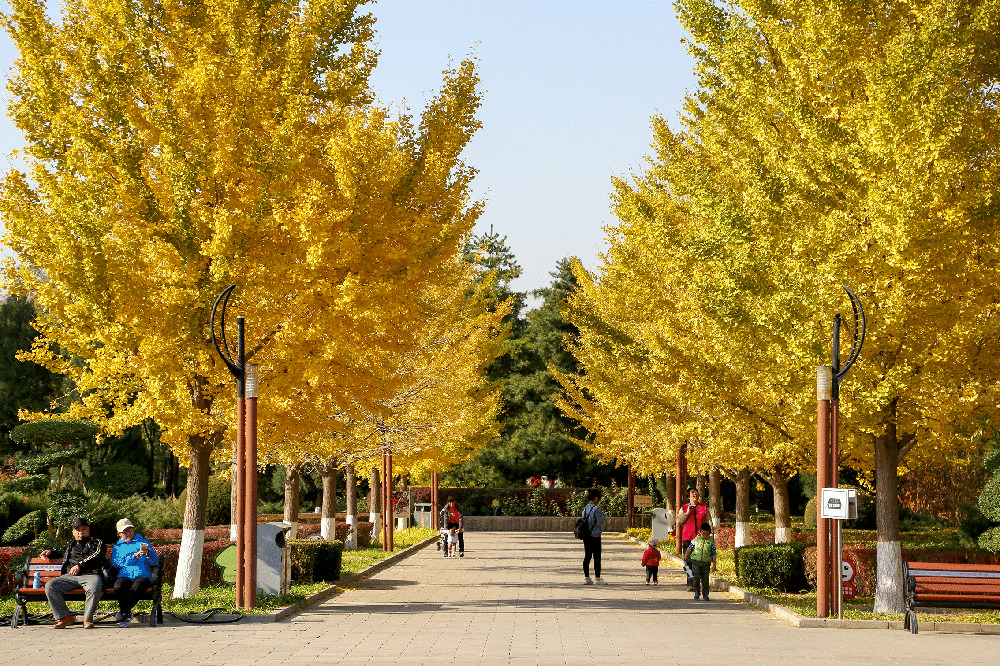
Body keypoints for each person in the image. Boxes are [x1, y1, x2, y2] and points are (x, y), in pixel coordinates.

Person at [42, 517, 109, 629]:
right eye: (78, 530)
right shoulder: (71, 545)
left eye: (83, 529)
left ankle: (87, 619)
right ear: (73, 532)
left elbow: (97, 555)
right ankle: (65, 617)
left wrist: (80, 565)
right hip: (71, 577)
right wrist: (50, 553)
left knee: (95, 587)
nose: (81, 532)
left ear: (88, 530)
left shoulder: (97, 543)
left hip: (91, 575)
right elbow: (63, 555)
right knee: (50, 586)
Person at [110, 518, 159, 627]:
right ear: (119, 534)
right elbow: (116, 563)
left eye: (130, 530)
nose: (128, 533)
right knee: (119, 586)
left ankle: (125, 613)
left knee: (138, 586)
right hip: (125, 574)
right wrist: (132, 558)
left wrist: (148, 553)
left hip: (142, 574)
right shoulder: (117, 547)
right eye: (125, 531)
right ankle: (126, 612)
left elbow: (154, 561)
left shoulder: (143, 542)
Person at [676, 487, 708, 590]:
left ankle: (699, 583)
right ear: (688, 496)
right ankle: (690, 583)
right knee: (688, 562)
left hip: (701, 539)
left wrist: (711, 534)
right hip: (688, 538)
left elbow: (708, 522)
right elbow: (679, 521)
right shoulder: (684, 507)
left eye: (696, 492)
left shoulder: (704, 507)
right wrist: (687, 513)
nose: (695, 494)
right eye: (692, 493)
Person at [684, 522, 717, 600]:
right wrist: (685, 556)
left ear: (710, 534)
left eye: (707, 534)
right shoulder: (695, 540)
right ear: (700, 532)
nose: (705, 536)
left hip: (706, 563)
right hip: (696, 562)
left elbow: (714, 554)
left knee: (705, 579)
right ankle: (697, 592)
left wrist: (714, 564)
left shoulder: (711, 542)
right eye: (703, 534)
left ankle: (705, 594)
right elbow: (689, 548)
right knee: (696, 577)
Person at [581, 488, 606, 584]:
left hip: (586, 535)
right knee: (597, 557)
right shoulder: (596, 508)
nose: (599, 501)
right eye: (599, 499)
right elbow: (600, 522)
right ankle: (597, 578)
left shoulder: (585, 508)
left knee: (587, 556)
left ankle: (586, 578)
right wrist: (604, 516)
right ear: (596, 498)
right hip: (595, 535)